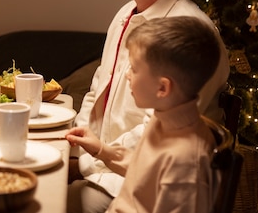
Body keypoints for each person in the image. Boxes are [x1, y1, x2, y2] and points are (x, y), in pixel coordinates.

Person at [67, 0, 229, 213]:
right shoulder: (124, 15)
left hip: (133, 183)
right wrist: (80, 154)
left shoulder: (189, 34)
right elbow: (96, 90)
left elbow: (156, 132)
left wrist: (91, 164)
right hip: (106, 164)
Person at [66, 16, 222, 213]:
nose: (127, 74)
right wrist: (102, 150)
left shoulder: (186, 163)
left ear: (162, 88)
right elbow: (146, 170)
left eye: (135, 68)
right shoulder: (164, 116)